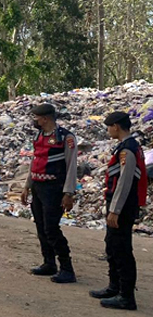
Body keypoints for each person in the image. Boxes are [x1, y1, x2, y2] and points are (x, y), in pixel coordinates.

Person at [89, 111, 148, 311]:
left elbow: (125, 182)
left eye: (109, 127)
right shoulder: (127, 146)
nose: (108, 130)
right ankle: (115, 287)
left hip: (122, 206)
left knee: (121, 249)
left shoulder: (128, 149)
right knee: (112, 245)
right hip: (120, 204)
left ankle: (126, 296)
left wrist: (114, 210)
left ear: (116, 126)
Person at [20, 103, 78, 284]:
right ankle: (49, 262)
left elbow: (71, 166)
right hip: (38, 187)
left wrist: (68, 192)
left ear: (45, 118)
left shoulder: (65, 137)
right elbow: (35, 161)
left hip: (54, 188)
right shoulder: (39, 135)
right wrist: (27, 186)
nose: (34, 121)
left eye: (36, 117)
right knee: (40, 226)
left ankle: (67, 268)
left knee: (51, 228)